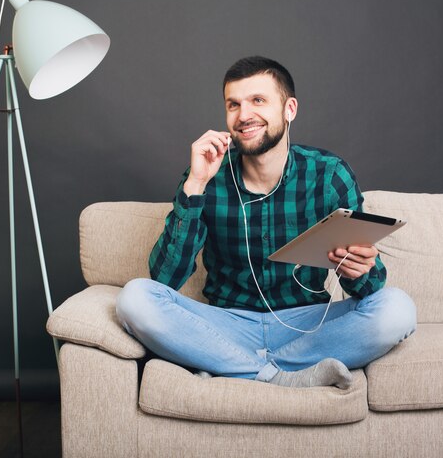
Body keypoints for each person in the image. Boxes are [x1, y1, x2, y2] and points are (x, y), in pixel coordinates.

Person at [116, 56, 416, 389]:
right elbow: (164, 279)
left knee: (397, 309)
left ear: (289, 109)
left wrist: (360, 269)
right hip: (228, 323)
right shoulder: (207, 176)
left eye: (258, 101)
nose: (244, 116)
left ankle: (232, 365)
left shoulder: (329, 175)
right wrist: (195, 185)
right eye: (233, 105)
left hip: (308, 325)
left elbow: (369, 289)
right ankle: (281, 376)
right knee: (134, 298)